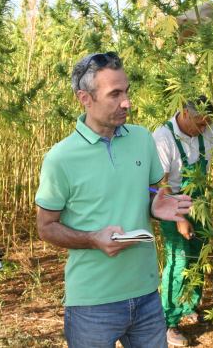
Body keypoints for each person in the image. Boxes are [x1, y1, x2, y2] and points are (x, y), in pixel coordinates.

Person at [35, 52, 193, 348]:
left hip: (147, 295)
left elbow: (149, 191)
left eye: (127, 91)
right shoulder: (60, 158)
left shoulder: (142, 139)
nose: (127, 102)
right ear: (84, 98)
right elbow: (45, 227)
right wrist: (93, 239)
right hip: (92, 303)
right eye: (115, 94)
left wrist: (155, 205)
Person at [152, 97, 213, 347]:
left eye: (207, 123)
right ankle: (168, 322)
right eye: (199, 123)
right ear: (184, 113)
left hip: (200, 201)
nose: (203, 129)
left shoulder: (210, 130)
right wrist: (179, 218)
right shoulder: (163, 137)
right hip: (170, 202)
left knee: (199, 255)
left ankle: (189, 305)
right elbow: (160, 183)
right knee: (179, 259)